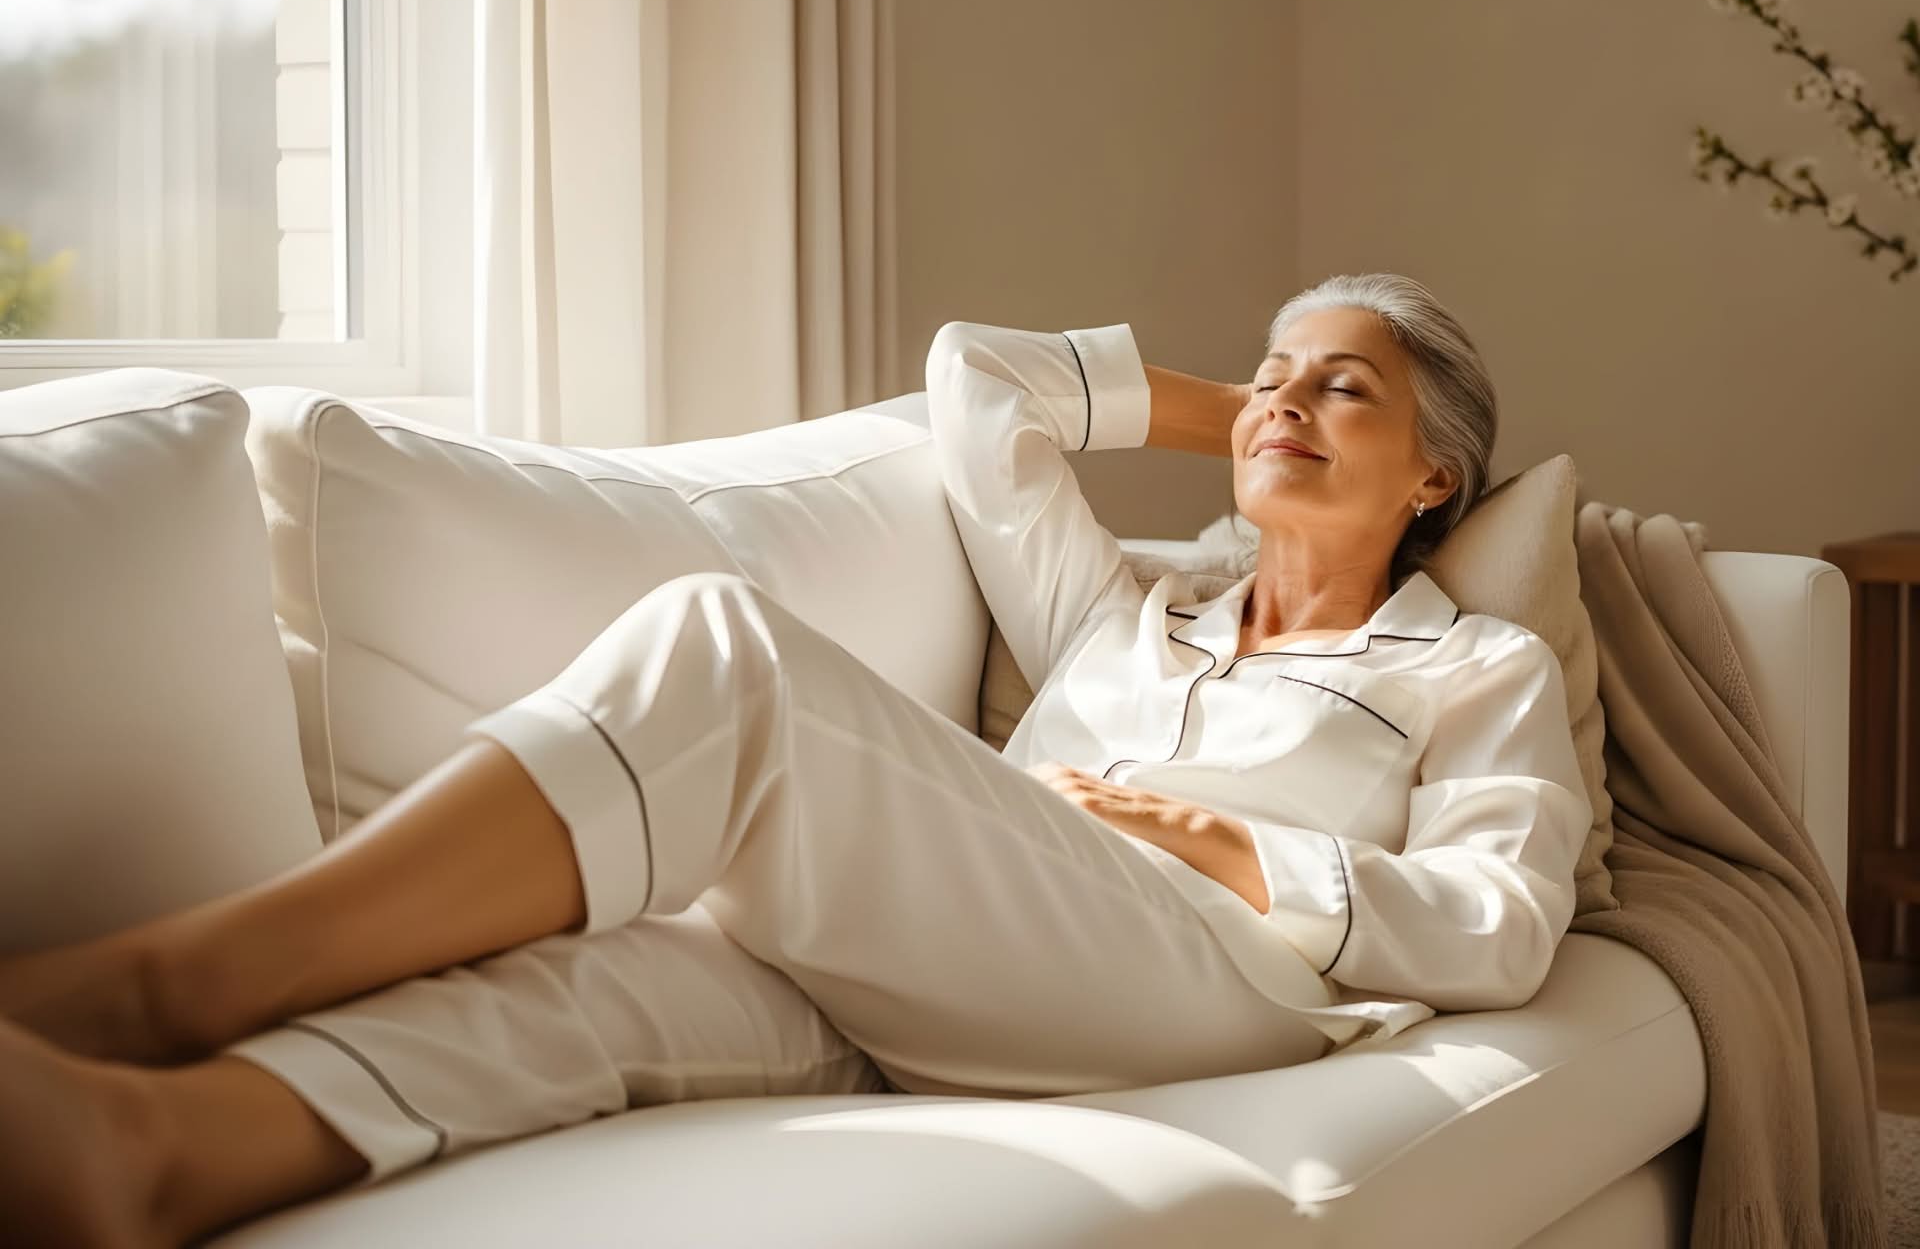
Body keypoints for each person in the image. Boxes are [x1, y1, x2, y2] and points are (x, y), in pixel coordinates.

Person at [0, 271, 1591, 1246]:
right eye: (1273, 371)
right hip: (992, 966)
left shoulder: (1475, 662)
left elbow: (1502, 922)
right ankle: (152, 1160)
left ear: (1435, 472)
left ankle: (168, 985)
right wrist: (1234, 411)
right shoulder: (1127, 616)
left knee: (731, 653)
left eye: (1344, 388)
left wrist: (1218, 843)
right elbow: (982, 378)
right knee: (616, 978)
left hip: (1218, 985)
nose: (1286, 400)